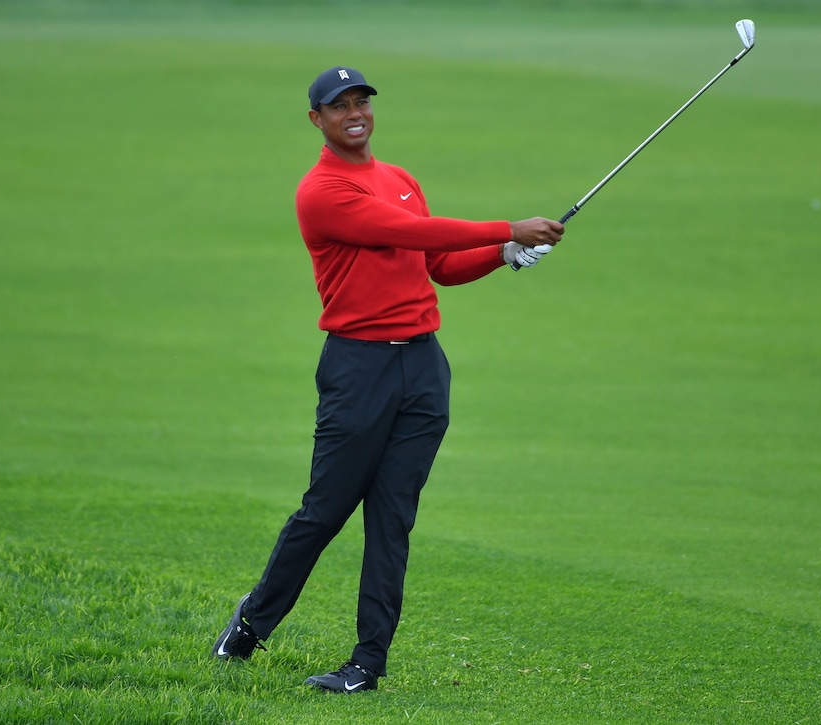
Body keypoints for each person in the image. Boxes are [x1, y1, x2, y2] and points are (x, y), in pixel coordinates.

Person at [212, 66, 564, 693]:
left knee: (392, 519)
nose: (355, 112)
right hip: (359, 368)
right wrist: (507, 228)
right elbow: (405, 232)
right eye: (338, 105)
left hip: (422, 369)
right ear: (316, 119)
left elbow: (438, 265)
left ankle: (366, 665)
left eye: (362, 102)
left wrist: (501, 256)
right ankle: (250, 628)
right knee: (324, 512)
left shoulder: (399, 179)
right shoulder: (321, 191)